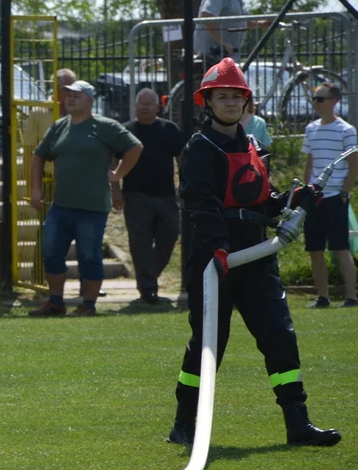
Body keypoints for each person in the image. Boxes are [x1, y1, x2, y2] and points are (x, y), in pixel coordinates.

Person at [167, 57, 340, 447]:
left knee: (280, 335)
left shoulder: (254, 145)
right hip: (215, 258)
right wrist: (219, 248)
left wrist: (293, 199)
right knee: (210, 341)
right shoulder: (198, 148)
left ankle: (298, 422)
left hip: (258, 252)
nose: (230, 103)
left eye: (236, 97)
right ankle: (184, 423)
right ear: (207, 102)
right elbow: (201, 203)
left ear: (246, 102)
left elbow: (263, 201)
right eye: (222, 97)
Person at [29, 81, 143, 317]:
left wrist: (118, 174)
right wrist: (36, 189)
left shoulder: (105, 126)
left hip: (92, 208)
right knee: (50, 252)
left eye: (76, 95)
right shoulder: (60, 126)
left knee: (89, 256)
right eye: (68, 95)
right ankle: (56, 302)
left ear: (90, 101)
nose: (70, 98)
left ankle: (88, 305)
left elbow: (135, 147)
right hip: (60, 206)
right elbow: (39, 155)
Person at [111, 88, 185, 304]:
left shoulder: (169, 130)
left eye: (149, 103)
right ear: (135, 106)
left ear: (157, 107)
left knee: (170, 235)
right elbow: (114, 161)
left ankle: (148, 277)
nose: (144, 107)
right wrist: (115, 190)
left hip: (166, 196)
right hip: (135, 196)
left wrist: (185, 188)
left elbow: (181, 159)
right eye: (141, 103)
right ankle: (147, 289)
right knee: (140, 242)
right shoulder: (125, 131)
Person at [301, 83, 357, 308]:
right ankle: (322, 297)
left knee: (340, 247)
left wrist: (344, 192)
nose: (316, 103)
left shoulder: (346, 130)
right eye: (314, 99)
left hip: (335, 196)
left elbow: (354, 166)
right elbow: (310, 162)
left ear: (334, 101)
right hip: (315, 197)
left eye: (320, 99)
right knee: (314, 248)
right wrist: (306, 190)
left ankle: (351, 297)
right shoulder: (311, 128)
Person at [194, 0, 266, 69]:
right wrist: (221, 42)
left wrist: (268, 23)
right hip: (214, 56)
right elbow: (207, 15)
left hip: (227, 56)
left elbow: (247, 22)